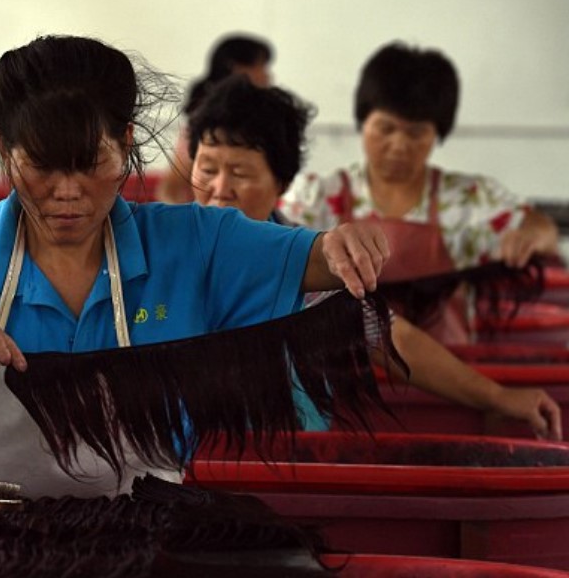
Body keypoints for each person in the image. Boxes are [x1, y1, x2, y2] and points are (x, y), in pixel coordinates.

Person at [0, 35, 392, 499]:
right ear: (3, 151)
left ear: (127, 142)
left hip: (140, 530)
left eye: (90, 163)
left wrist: (346, 243)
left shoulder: (196, 243)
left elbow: (317, 259)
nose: (68, 192)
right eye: (42, 165)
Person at [187, 74, 562, 441]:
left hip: (291, 453)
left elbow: (387, 334)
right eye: (207, 169)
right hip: (189, 457)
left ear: (282, 184)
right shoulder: (170, 247)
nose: (220, 189)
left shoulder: (308, 259)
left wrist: (497, 397)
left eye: (240, 173)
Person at [279, 41, 559, 345]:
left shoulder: (467, 199)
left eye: (416, 133)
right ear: (363, 123)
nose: (399, 145)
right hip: (343, 362)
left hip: (448, 363)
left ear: (437, 134)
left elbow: (541, 228)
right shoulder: (316, 196)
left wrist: (530, 236)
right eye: (386, 128)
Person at [156, 33, 273, 204]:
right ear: (237, 68)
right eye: (260, 67)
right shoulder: (205, 122)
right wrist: (183, 217)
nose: (268, 76)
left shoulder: (264, 119)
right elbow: (171, 186)